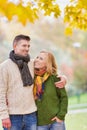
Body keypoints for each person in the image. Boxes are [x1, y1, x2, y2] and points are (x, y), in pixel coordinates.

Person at [0, 34, 67, 130]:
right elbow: (1, 93)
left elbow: (49, 70)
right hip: (13, 116)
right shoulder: (4, 67)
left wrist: (64, 78)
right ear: (15, 46)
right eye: (24, 45)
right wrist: (4, 116)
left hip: (31, 116)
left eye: (28, 46)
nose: (27, 48)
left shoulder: (33, 63)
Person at [34, 50, 68, 130]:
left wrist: (60, 116)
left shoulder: (55, 78)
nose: (37, 59)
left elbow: (64, 98)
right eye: (37, 57)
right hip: (40, 123)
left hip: (56, 122)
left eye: (41, 58)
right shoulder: (31, 77)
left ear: (47, 63)